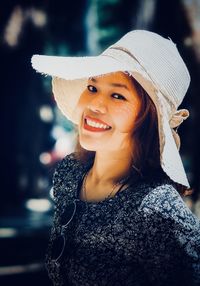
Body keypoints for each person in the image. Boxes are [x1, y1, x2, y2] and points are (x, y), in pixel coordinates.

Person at [32, 30, 200, 286]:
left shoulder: (159, 211)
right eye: (92, 87)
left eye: (117, 95)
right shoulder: (69, 173)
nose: (95, 105)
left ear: (147, 118)